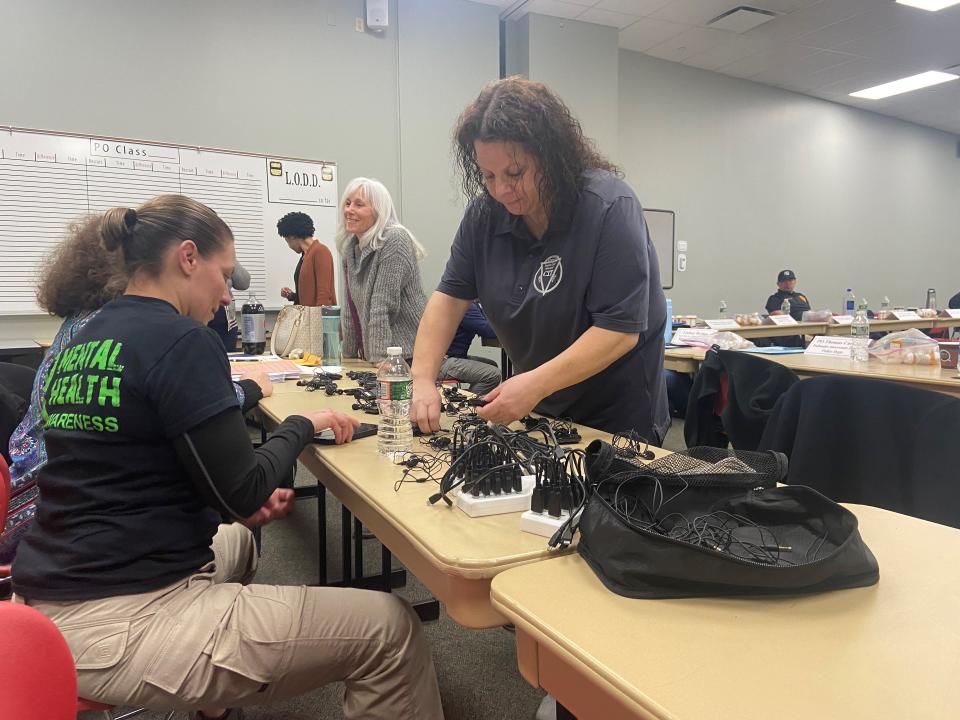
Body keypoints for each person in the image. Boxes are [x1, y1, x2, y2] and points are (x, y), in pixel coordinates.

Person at [11, 195, 443, 720]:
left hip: (46, 595)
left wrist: (230, 494)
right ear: (187, 258)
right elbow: (244, 492)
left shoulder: (84, 336)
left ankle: (213, 702)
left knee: (235, 542)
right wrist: (303, 426)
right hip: (120, 618)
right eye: (223, 273)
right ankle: (198, 655)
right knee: (390, 628)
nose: (225, 293)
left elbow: (136, 466)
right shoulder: (182, 340)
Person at [410, 77, 670, 442]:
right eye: (488, 175)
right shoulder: (483, 217)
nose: (501, 189)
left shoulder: (609, 207)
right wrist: (422, 380)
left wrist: (534, 384)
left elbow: (619, 331)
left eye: (515, 173)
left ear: (552, 155)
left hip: (616, 419)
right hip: (541, 408)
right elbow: (448, 300)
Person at [2, 226, 271, 568]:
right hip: (69, 526)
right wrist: (251, 388)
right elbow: (197, 404)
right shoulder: (126, 328)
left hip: (37, 508)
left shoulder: (84, 323)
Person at [337, 177, 500, 395]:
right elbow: (350, 309)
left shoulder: (395, 238)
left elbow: (382, 305)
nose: (349, 210)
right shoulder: (350, 248)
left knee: (491, 375)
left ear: (379, 210)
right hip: (380, 357)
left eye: (359, 204)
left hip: (410, 357)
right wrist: (348, 356)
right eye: (347, 203)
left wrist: (381, 361)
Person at [277, 211, 336, 306]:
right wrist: (291, 296)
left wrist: (319, 319)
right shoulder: (305, 256)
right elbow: (307, 296)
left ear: (291, 237)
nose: (289, 246)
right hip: (306, 316)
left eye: (287, 241)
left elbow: (324, 294)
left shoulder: (320, 251)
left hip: (316, 318)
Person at [207, 259, 250, 351]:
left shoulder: (226, 254)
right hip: (198, 310)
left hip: (225, 316)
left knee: (227, 356)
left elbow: (244, 284)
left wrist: (230, 256)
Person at [763, 269, 811, 347]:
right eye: (784, 281)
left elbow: (809, 312)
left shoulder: (801, 296)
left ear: (795, 281)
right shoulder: (775, 298)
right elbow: (776, 316)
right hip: (789, 333)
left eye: (790, 280)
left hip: (809, 328)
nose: (787, 283)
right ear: (778, 284)